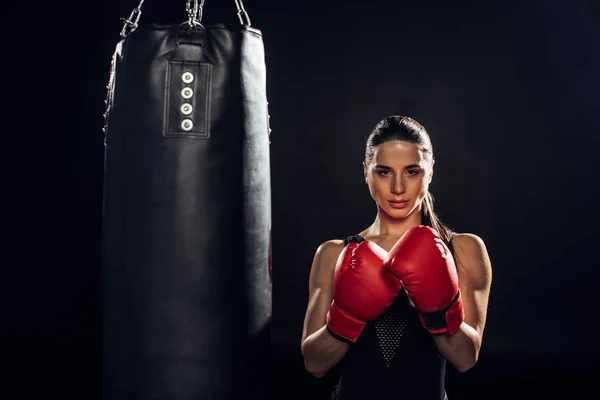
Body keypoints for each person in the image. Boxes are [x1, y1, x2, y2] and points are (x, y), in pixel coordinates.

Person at [300, 116, 493, 400]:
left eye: (412, 172)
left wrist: (439, 308)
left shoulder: (463, 249)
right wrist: (347, 318)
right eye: (384, 172)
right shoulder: (335, 253)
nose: (398, 188)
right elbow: (314, 364)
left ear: (430, 173)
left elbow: (466, 358)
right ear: (366, 172)